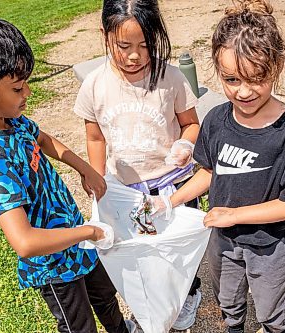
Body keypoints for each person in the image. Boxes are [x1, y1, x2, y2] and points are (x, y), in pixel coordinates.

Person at [0, 15, 137, 333]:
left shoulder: (10, 118)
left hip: (75, 237)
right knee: (79, 325)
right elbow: (26, 242)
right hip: (53, 265)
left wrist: (83, 166)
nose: (27, 93)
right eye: (18, 87)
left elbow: (43, 139)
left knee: (106, 296)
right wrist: (91, 233)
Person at [159, 1, 285, 332]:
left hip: (270, 246)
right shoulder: (216, 120)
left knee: (270, 316)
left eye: (256, 78)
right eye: (232, 79)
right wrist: (169, 200)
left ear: (277, 67)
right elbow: (209, 172)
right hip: (222, 239)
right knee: (228, 304)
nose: (244, 91)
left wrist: (234, 215)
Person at [73, 0, 202, 330]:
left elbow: (191, 123)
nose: (135, 56)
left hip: (174, 185)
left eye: (145, 45)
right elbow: (96, 137)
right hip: (129, 191)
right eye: (124, 46)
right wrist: (98, 177)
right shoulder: (95, 85)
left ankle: (188, 294)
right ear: (104, 35)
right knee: (144, 249)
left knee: (177, 247)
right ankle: (154, 303)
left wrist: (186, 143)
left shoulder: (170, 78)